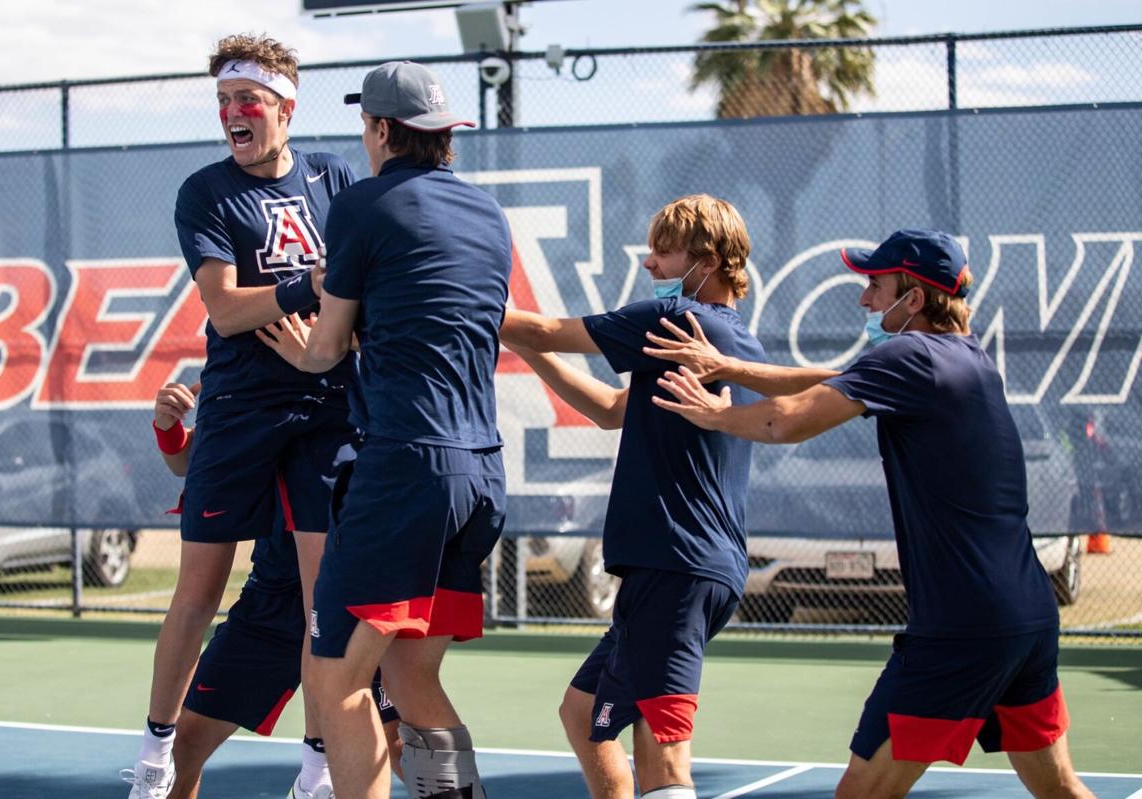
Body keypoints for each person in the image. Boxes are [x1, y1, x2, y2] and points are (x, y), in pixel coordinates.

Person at [647, 229, 1094, 799]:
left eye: (876, 287)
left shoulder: (909, 355)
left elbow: (784, 421)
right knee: (1060, 789)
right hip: (1028, 615)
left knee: (861, 793)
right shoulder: (969, 359)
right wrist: (727, 365)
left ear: (914, 300)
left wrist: (714, 413)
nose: (865, 300)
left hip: (964, 627)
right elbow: (830, 380)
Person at [256, 61, 510, 799]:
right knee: (410, 671)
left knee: (335, 674)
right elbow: (444, 318)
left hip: (406, 469)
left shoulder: (362, 205)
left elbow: (328, 346)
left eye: (364, 125)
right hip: (480, 475)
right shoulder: (488, 215)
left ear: (379, 130)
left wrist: (304, 348)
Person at [122, 34, 361, 799]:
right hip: (239, 407)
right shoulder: (206, 191)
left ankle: (317, 767)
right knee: (197, 589)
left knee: (326, 599)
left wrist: (324, 339)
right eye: (223, 102)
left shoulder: (336, 178)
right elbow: (224, 311)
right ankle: (155, 756)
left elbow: (359, 299)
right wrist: (308, 287)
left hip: (326, 405)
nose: (232, 112)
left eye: (246, 100)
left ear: (285, 107)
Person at [498, 194, 764, 799]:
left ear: (709, 259)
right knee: (583, 714)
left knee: (665, 757)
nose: (649, 264)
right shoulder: (724, 340)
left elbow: (543, 325)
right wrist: (527, 349)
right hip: (680, 571)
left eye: (663, 252)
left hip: (676, 567)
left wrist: (450, 292)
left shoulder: (679, 322)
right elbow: (613, 411)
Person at [128, 381, 404, 799]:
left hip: (350, 600)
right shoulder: (250, 372)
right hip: (270, 603)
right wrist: (169, 428)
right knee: (185, 742)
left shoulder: (360, 366)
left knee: (399, 746)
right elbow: (191, 458)